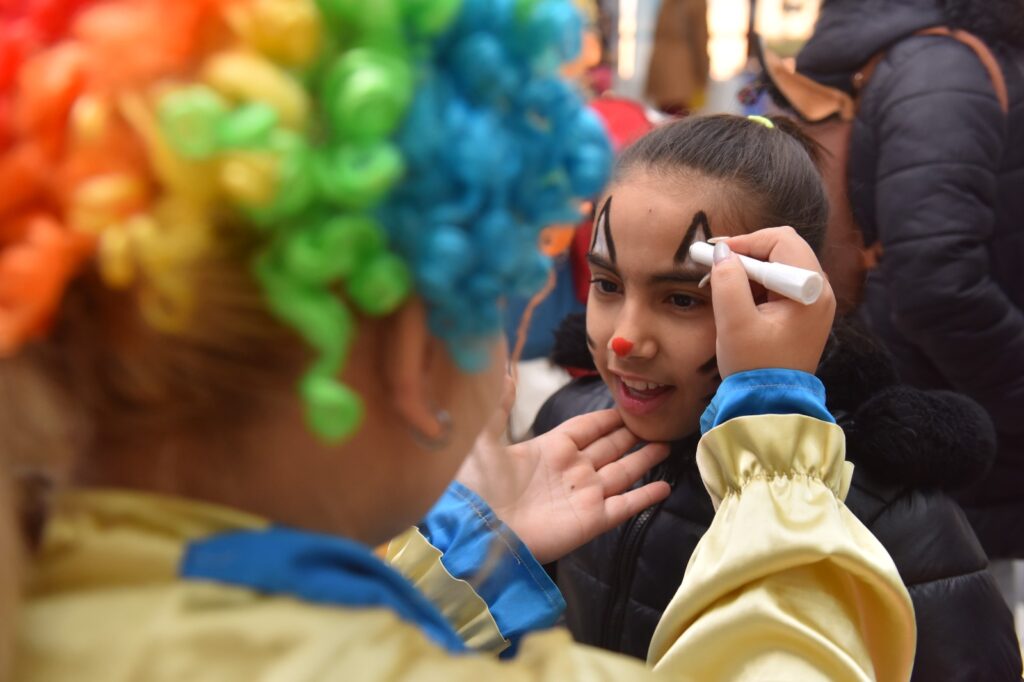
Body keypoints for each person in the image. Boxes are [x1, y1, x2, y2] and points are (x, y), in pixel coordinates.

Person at [2, 1, 914, 680]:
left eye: (679, 296)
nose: (622, 340)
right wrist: (776, 449)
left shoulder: (57, 591)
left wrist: (446, 566)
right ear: (415, 353)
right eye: (502, 305)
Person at [531, 114, 1022, 681]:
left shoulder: (884, 511)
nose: (625, 339)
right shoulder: (568, 431)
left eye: (683, 299)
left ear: (782, 298)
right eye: (608, 285)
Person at [790, 0, 1024, 562]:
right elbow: (937, 281)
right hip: (957, 412)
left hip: (959, 405)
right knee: (954, 587)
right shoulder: (944, 68)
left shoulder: (943, 59)